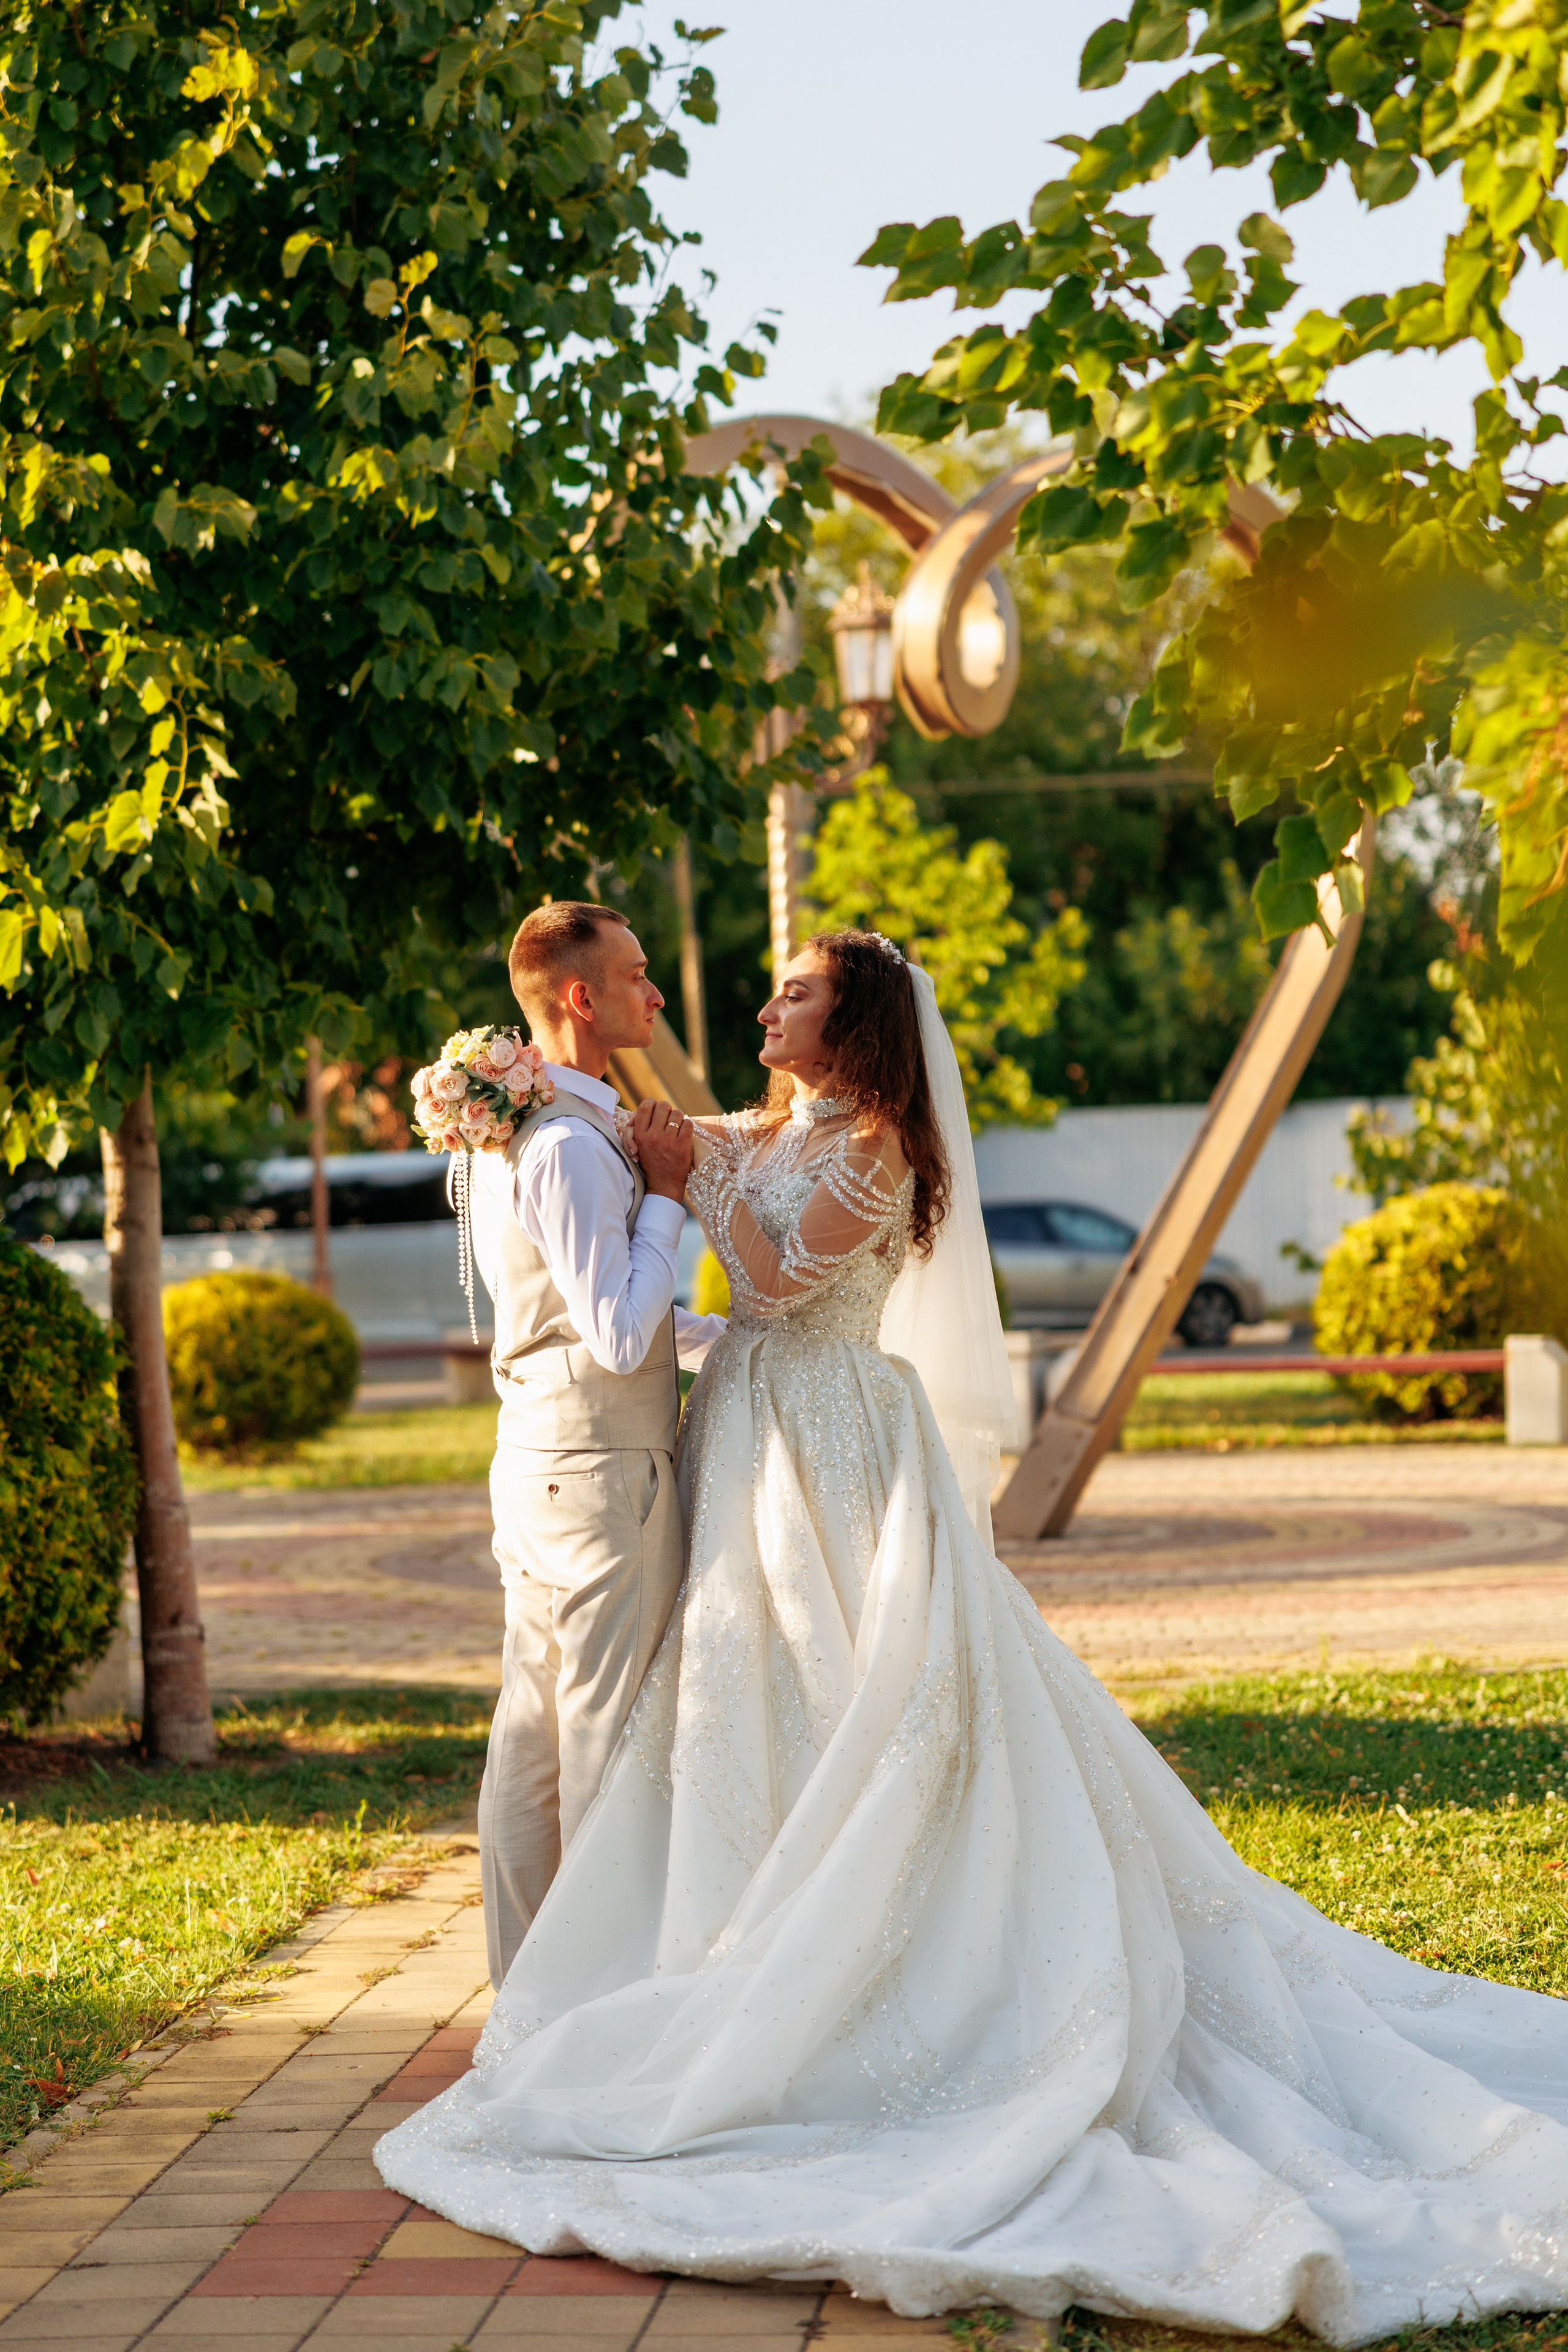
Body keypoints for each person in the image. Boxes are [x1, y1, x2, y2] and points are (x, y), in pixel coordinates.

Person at [380, 929, 1568, 2344]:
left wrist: (684, 1176)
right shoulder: (774, 1121)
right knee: (738, 1708)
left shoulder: (877, 1145)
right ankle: (718, 1956)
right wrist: (515, 1091)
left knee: (859, 1704)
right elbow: (629, 1133)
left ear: (858, 1021)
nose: (765, 1006)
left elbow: (764, 1284)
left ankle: (858, 1991)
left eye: (796, 993)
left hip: (833, 1442)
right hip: (744, 1444)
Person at [467, 900, 725, 1987]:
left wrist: (735, 1338)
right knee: (602, 1746)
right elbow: (619, 1334)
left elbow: (580, 1316)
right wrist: (668, 1199)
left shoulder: (518, 1127)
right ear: (581, 998)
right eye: (636, 976)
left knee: (532, 1739)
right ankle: (588, 2010)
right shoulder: (568, 1143)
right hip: (600, 1476)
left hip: (545, 1465)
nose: (654, 994)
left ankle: (529, 1996)